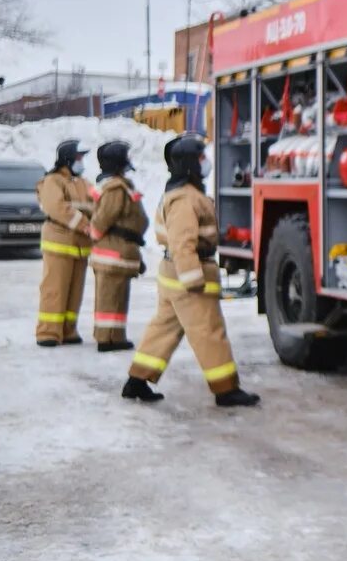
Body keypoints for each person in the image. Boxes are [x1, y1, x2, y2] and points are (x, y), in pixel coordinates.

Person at [122, 133, 260, 407]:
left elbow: (191, 234)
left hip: (174, 274)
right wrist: (193, 279)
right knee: (209, 330)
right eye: (201, 158)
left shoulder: (184, 193)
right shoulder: (185, 199)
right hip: (187, 274)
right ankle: (226, 389)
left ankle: (137, 381)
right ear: (189, 164)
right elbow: (183, 242)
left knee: (164, 328)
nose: (206, 162)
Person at [88, 140, 149, 352]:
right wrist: (96, 235)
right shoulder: (115, 189)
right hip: (112, 253)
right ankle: (106, 338)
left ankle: (116, 336)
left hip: (121, 251)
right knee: (109, 298)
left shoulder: (119, 185)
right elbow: (103, 219)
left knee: (117, 298)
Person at [35, 139, 94, 347]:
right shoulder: (53, 181)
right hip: (59, 243)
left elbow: (96, 203)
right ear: (67, 158)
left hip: (80, 246)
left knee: (74, 291)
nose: (81, 161)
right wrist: (85, 224)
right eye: (78, 157)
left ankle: (68, 330)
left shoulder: (82, 182)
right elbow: (57, 207)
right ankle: (48, 332)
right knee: (55, 289)